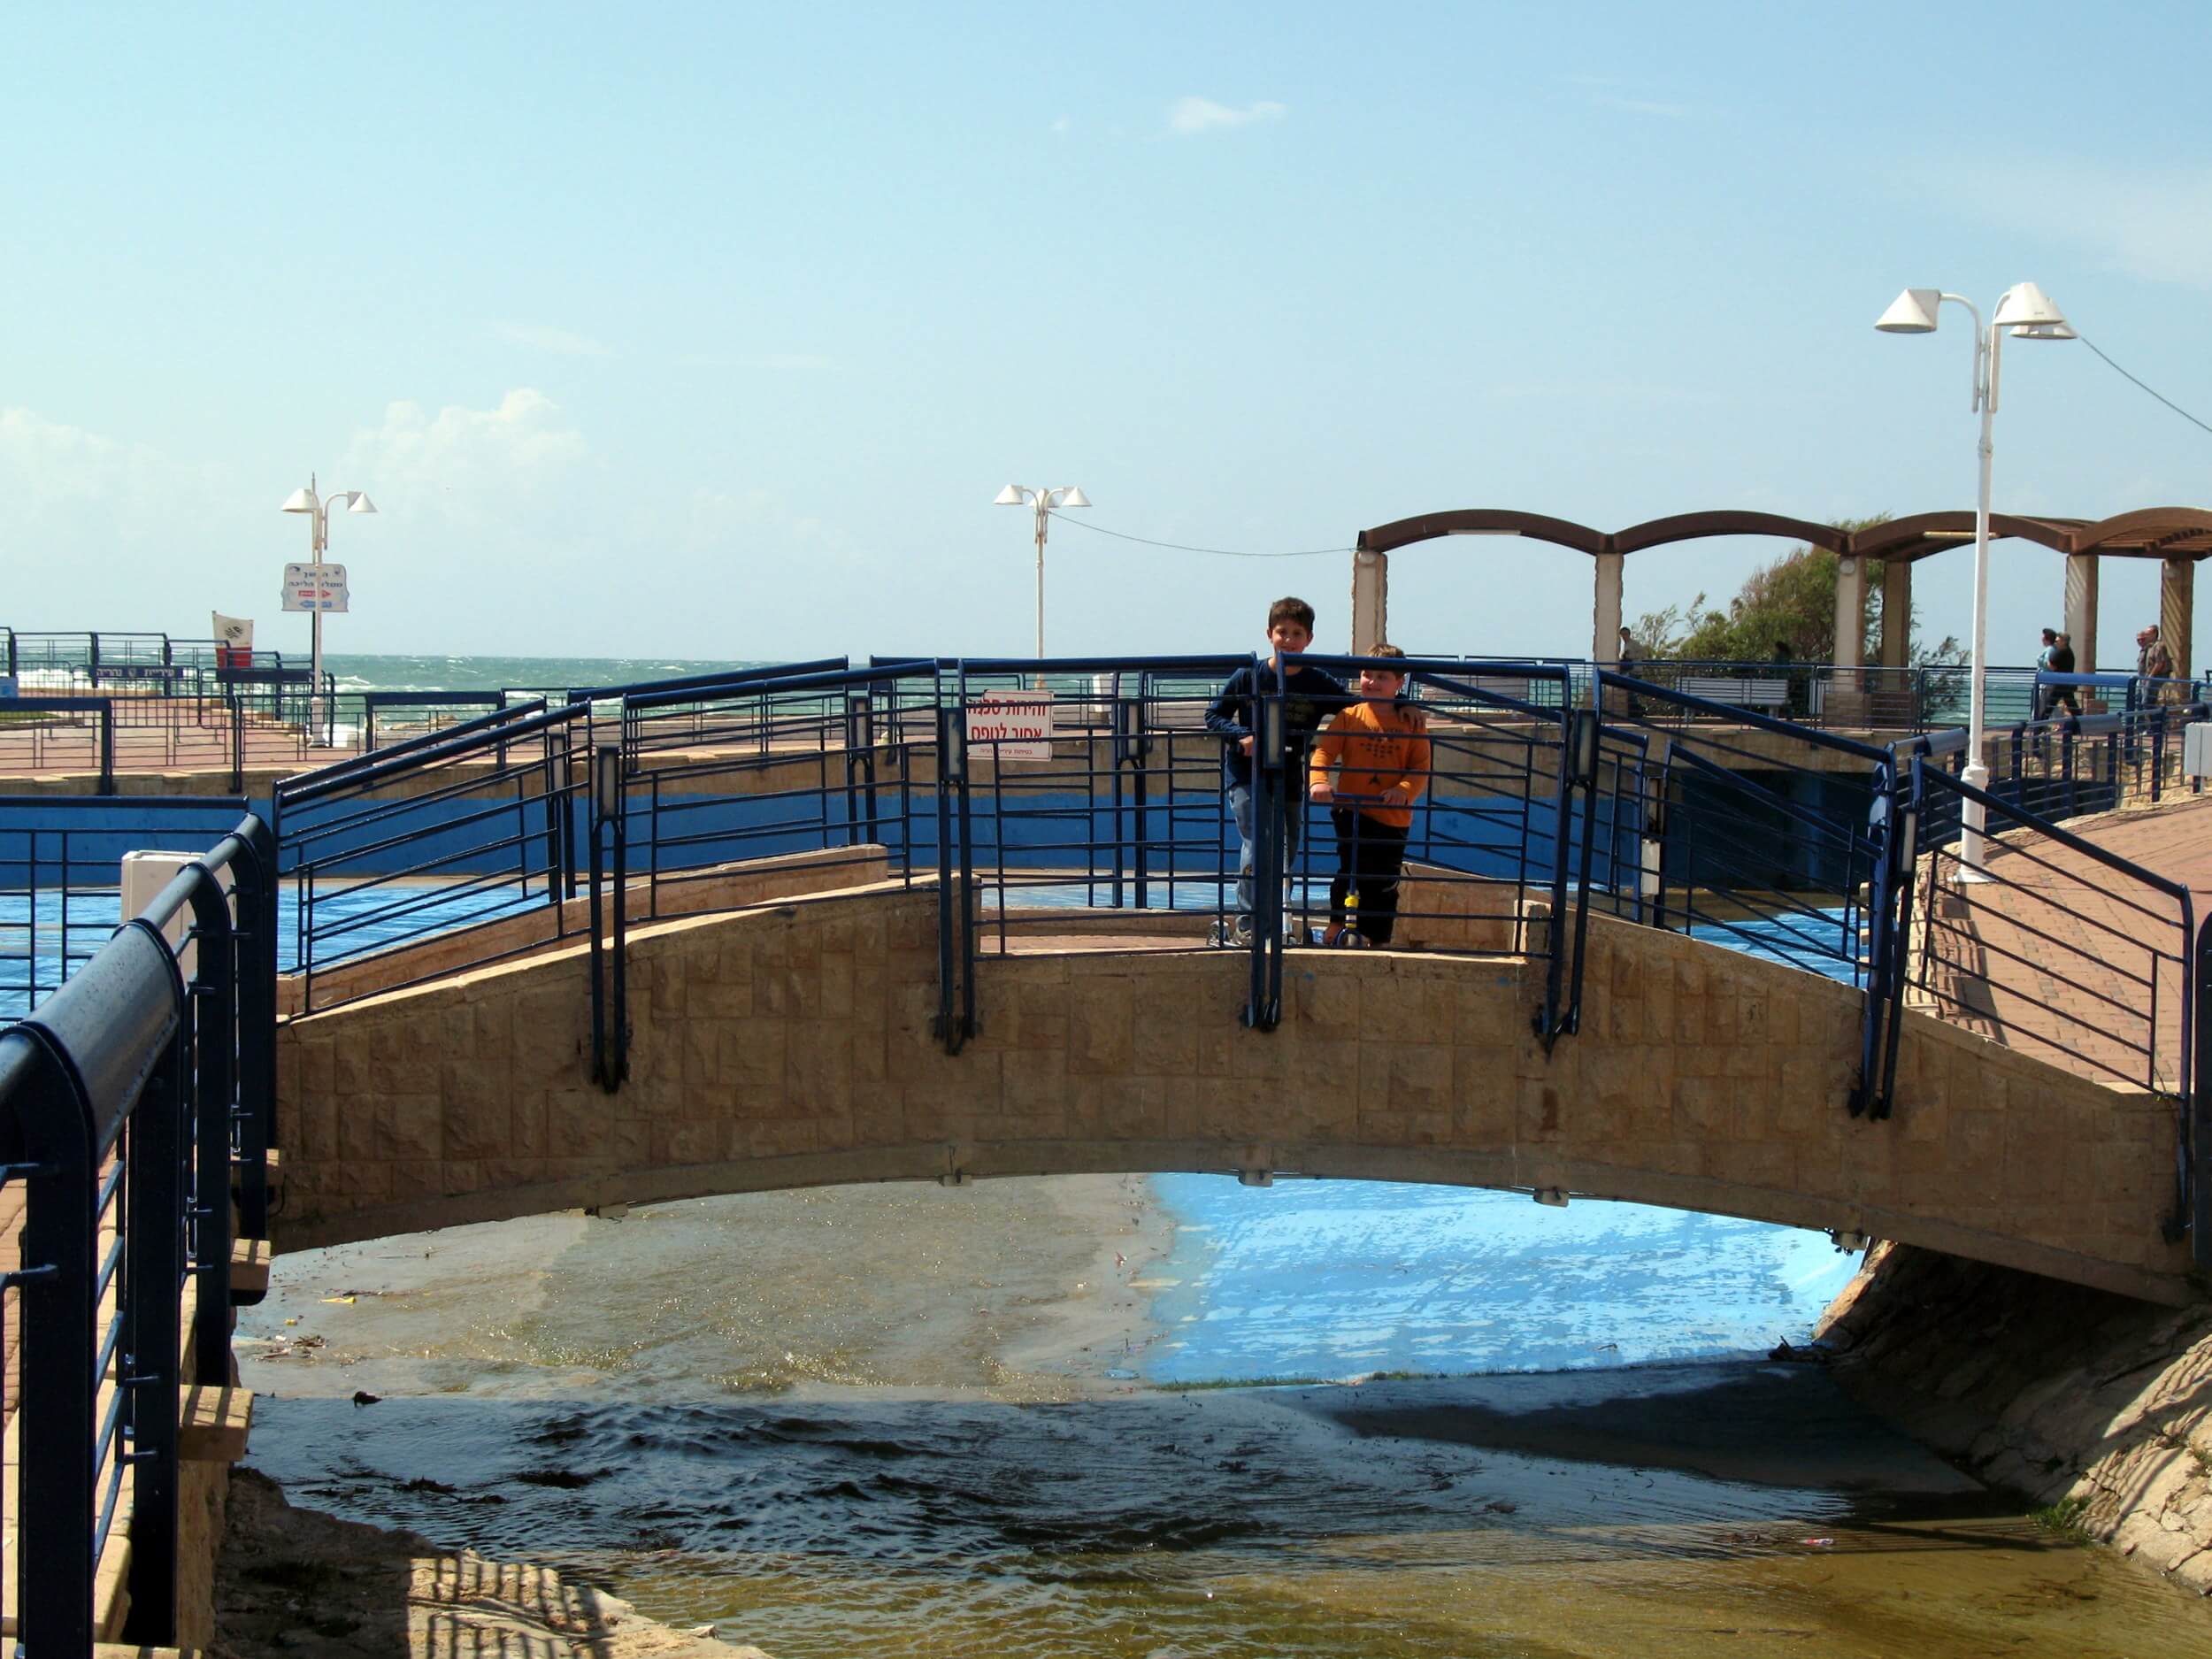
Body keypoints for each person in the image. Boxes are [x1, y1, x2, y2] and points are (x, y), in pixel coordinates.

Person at [1204, 597, 1347, 944]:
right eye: (1282, 632)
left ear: (1308, 639)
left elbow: (1353, 709)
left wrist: (1397, 705)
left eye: (1297, 633)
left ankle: (1280, 920)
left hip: (1289, 774)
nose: (1289, 639)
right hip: (1247, 774)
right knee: (1258, 840)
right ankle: (1250, 921)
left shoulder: (1318, 681)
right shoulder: (1248, 676)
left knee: (1287, 845)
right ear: (1270, 634)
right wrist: (1242, 737)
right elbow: (1214, 716)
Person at [1308, 645, 1430, 947]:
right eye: (1366, 674)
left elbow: (1420, 767)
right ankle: (1337, 924)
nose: (1372, 682)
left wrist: (1403, 791)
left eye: (1382, 676)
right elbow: (1324, 751)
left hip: (1392, 816)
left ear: (1400, 683)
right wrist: (1318, 781)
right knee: (1348, 869)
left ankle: (1378, 937)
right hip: (1351, 809)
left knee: (1383, 881)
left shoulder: (1412, 721)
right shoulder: (1349, 717)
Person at [2139, 624, 2175, 704]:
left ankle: (2147, 715)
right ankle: (2146, 715)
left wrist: (2151, 675)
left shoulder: (2159, 646)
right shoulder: (2150, 646)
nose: (2146, 636)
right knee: (2144, 696)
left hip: (2157, 675)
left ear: (2154, 634)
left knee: (2147, 699)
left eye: (2148, 634)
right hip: (2150, 675)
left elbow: (2159, 663)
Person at [1617, 625, 1647, 715]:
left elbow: (1643, 653)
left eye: (1625, 634)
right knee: (1630, 691)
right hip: (1629, 670)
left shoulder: (1634, 643)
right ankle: (1634, 710)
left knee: (1631, 691)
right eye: (1622, 635)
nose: (1624, 637)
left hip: (1635, 670)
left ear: (1629, 634)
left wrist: (1631, 657)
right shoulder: (1626, 644)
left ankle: (1635, 710)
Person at [2048, 633, 2079, 717]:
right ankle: (2081, 724)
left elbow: (2051, 664)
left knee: (2049, 706)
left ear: (2063, 641)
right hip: (2066, 684)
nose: (2055, 643)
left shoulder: (2063, 652)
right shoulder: (2068, 652)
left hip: (2060, 684)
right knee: (2072, 706)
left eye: (2057, 641)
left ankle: (2038, 727)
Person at [2032, 627, 2058, 720]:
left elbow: (2049, 664)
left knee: (2041, 703)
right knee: (2049, 704)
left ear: (2046, 639)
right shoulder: (2052, 649)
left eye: (2043, 637)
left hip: (2046, 681)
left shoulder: (2049, 650)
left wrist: (2039, 659)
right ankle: (2056, 722)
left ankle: (2036, 722)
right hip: (2048, 680)